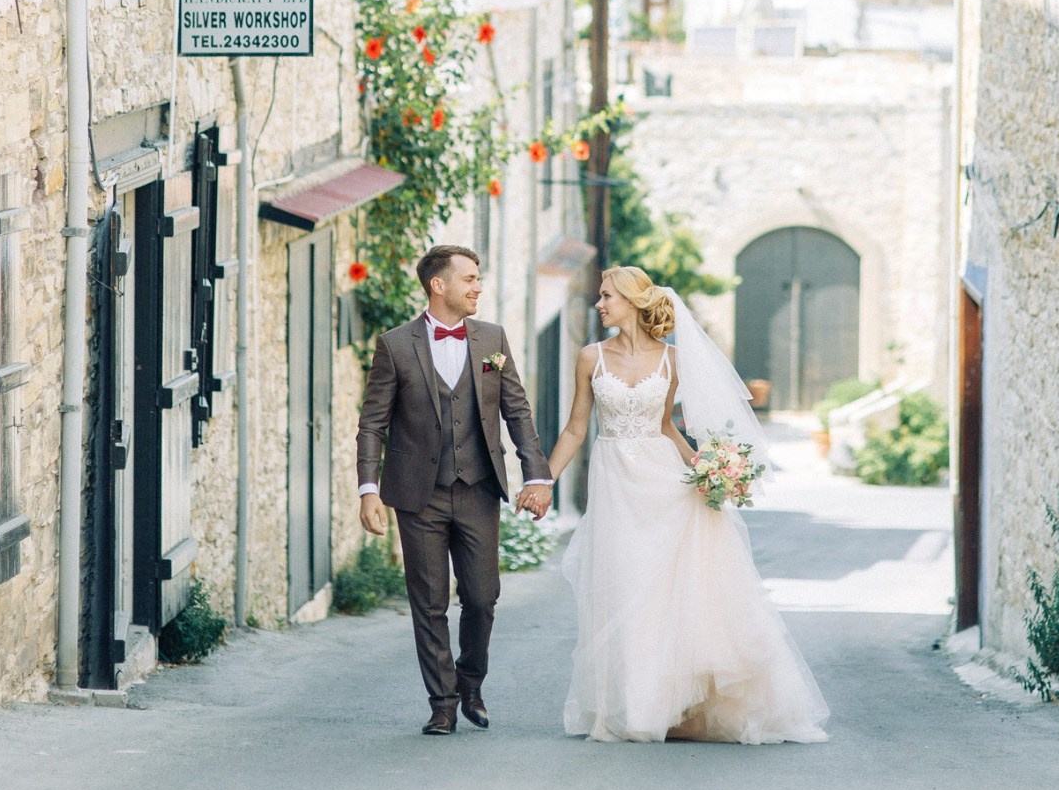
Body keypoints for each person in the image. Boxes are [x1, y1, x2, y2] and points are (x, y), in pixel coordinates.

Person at [547, 264, 830, 745]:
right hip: (617, 483)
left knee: (664, 595)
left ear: (634, 302)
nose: (599, 303)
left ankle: (665, 707)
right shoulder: (590, 357)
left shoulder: (672, 361)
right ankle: (637, 706)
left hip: (665, 484)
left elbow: (665, 426)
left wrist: (707, 470)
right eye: (600, 295)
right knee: (622, 588)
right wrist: (543, 480)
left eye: (607, 296)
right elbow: (576, 428)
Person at [356, 243, 553, 736]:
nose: (477, 287)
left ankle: (471, 683)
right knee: (429, 602)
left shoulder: (492, 339)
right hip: (416, 493)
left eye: (478, 279)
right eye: (468, 279)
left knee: (483, 597)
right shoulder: (396, 345)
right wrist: (368, 488)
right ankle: (441, 703)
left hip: (478, 488)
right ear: (437, 285)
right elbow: (372, 424)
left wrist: (536, 475)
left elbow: (518, 412)